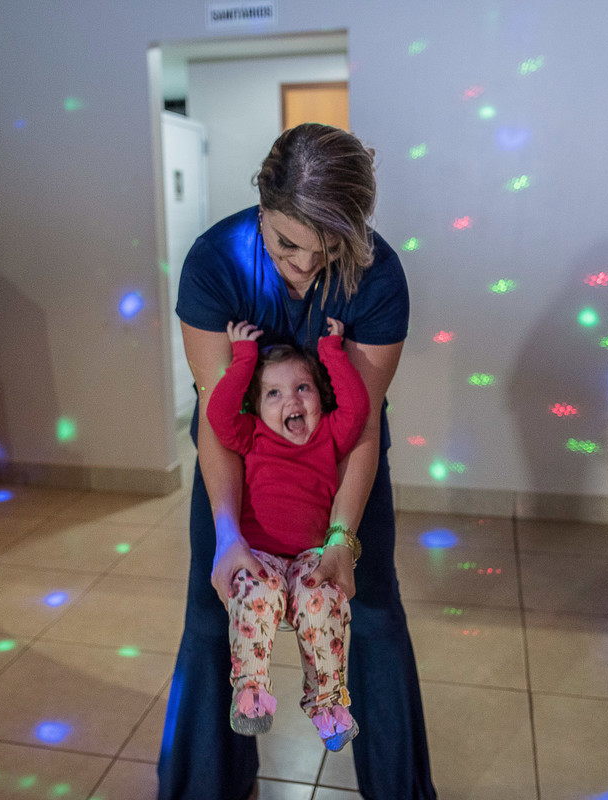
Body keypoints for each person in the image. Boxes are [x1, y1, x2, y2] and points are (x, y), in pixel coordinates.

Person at [159, 122, 437, 800]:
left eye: (328, 249)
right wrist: (228, 537)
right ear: (262, 200)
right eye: (287, 244)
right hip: (241, 458)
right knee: (210, 612)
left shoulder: (379, 275)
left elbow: (361, 428)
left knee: (369, 610)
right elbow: (219, 422)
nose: (306, 267)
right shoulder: (214, 263)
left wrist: (341, 537)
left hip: (340, 463)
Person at [209, 318, 369, 751]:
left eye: (303, 388)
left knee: (323, 599)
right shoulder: (252, 435)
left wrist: (333, 354)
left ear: (319, 396)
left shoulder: (329, 435)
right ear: (257, 406)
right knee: (251, 592)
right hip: (257, 553)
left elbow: (357, 410)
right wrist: (243, 360)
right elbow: (219, 416)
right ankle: (251, 690)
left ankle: (327, 702)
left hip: (309, 557)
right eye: (274, 393)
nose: (292, 401)